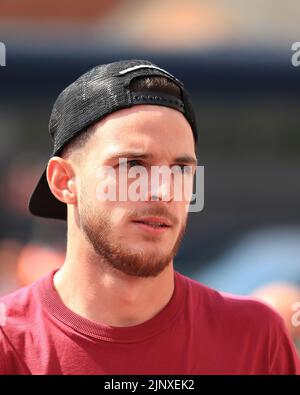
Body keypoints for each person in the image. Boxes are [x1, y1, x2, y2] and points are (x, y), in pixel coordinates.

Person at [0, 59, 299, 374]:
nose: (162, 191)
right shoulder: (9, 341)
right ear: (64, 181)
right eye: (133, 165)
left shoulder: (255, 337)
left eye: (181, 169)